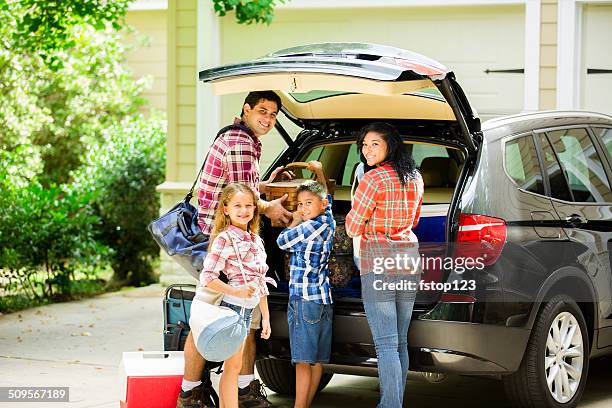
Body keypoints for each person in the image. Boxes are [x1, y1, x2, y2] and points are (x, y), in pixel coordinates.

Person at [178, 91, 292, 408]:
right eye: (262, 111)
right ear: (246, 110)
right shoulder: (241, 143)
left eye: (273, 114)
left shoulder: (241, 137)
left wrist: (267, 184)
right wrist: (269, 208)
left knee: (232, 320)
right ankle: (199, 394)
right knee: (217, 320)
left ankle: (225, 390)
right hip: (224, 244)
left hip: (225, 240)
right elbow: (244, 200)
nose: (268, 119)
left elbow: (245, 189)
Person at [345, 123, 424, 408]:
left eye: (374, 144)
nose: (367, 150)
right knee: (400, 341)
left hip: (378, 261)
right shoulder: (415, 177)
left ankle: (390, 404)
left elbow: (353, 227)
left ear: (391, 144)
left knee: (387, 343)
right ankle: (394, 402)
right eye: (364, 145)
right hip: (408, 259)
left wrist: (365, 222)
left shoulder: (372, 179)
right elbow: (414, 221)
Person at [199, 183, 275, 408]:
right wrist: (235, 291)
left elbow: (260, 281)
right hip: (234, 309)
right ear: (226, 209)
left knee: (235, 366)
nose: (244, 211)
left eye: (249, 206)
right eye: (238, 206)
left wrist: (266, 318)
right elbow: (208, 277)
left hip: (249, 309)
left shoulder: (255, 239)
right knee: (232, 368)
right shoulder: (225, 238)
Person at [276, 161, 335, 408]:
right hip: (323, 299)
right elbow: (327, 197)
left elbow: (281, 241)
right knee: (317, 361)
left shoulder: (306, 227)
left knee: (302, 360)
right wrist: (320, 172)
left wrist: (295, 219)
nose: (302, 208)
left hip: (304, 301)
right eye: (299, 204)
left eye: (307, 203)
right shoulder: (328, 221)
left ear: (319, 205)